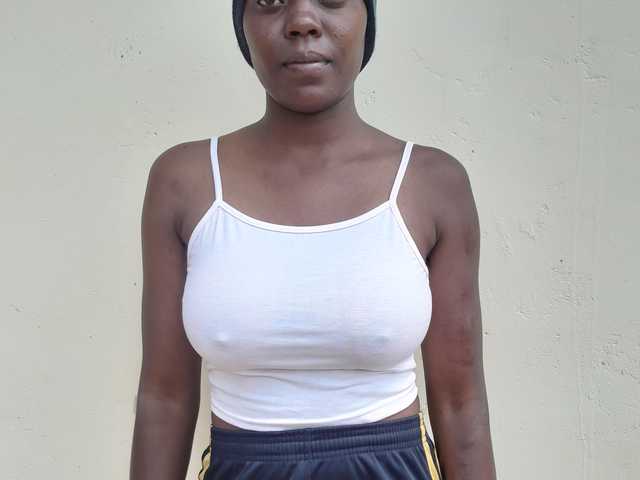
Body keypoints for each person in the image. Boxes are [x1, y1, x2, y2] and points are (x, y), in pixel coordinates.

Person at [129, 1, 496, 479]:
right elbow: (164, 397)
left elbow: (461, 403)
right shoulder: (184, 182)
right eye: (270, 1)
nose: (302, 22)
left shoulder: (432, 183)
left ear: (367, 18)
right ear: (242, 26)